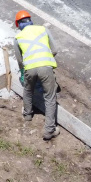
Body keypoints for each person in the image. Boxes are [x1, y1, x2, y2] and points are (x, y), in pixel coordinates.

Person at [13, 10, 59, 141]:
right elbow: (55, 50)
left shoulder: (18, 38)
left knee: (28, 90)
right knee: (50, 97)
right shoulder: (43, 29)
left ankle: (27, 115)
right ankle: (49, 131)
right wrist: (45, 59)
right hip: (45, 67)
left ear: (18, 24)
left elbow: (20, 61)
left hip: (30, 69)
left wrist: (24, 71)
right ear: (30, 20)